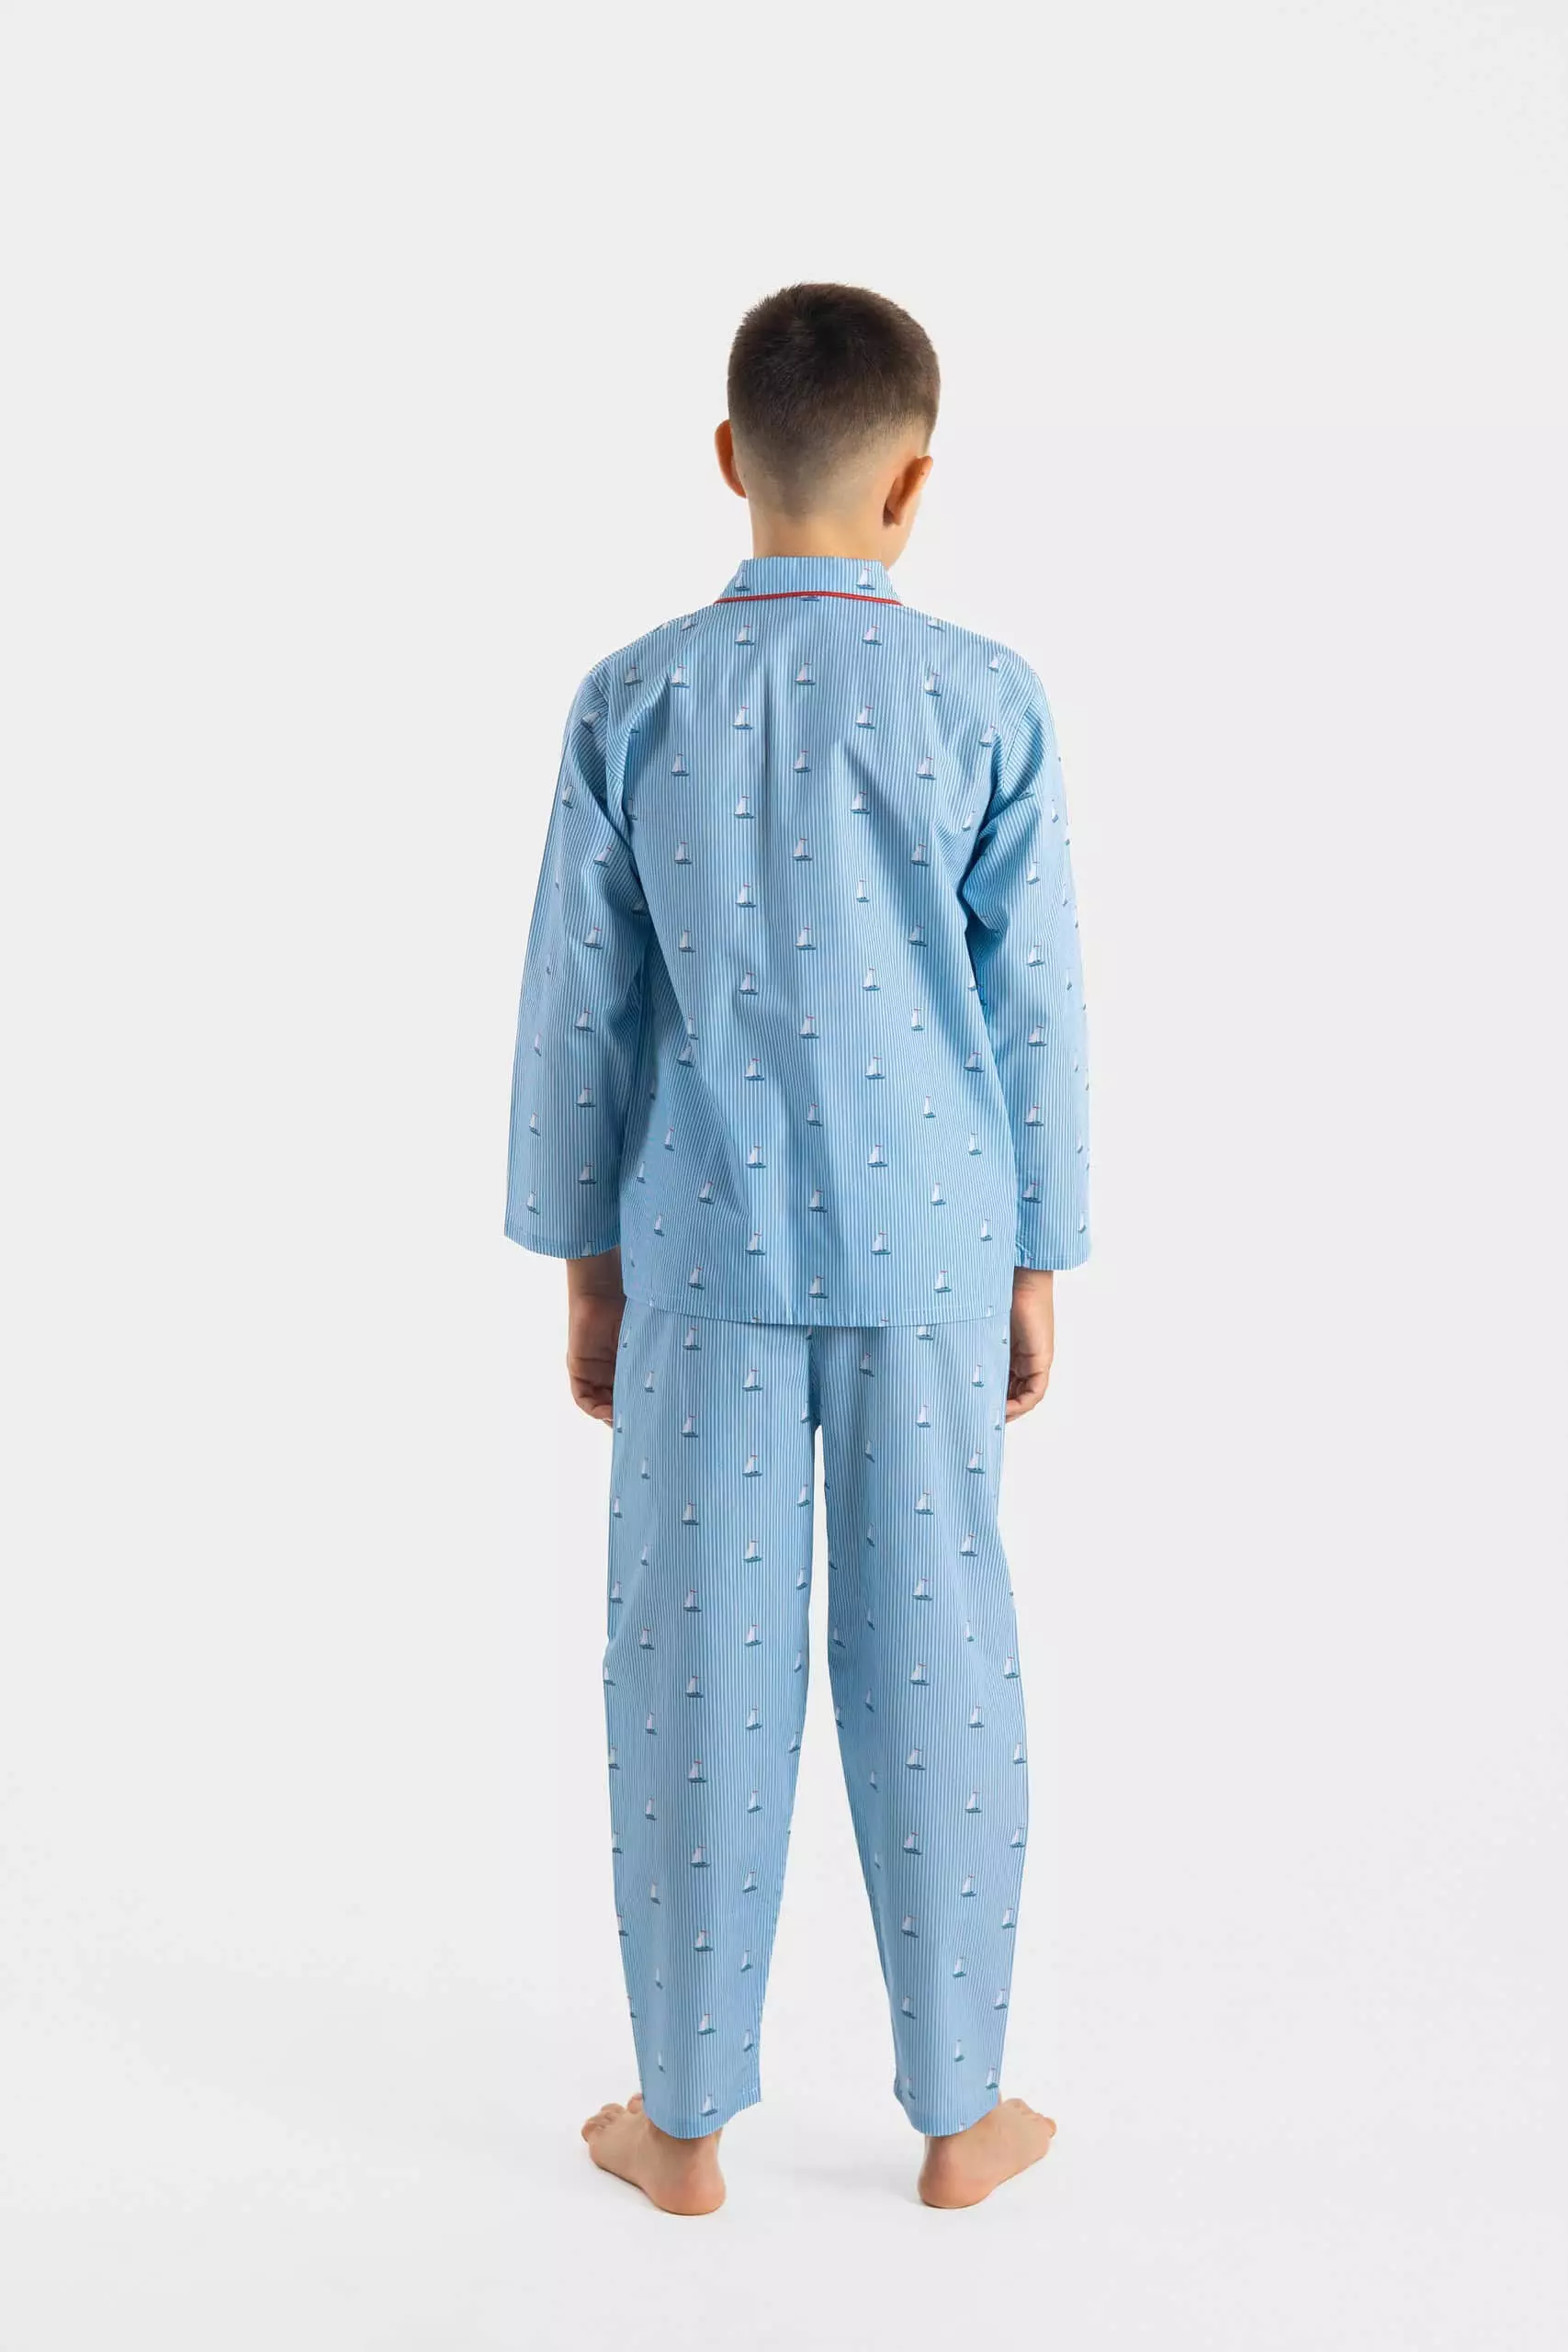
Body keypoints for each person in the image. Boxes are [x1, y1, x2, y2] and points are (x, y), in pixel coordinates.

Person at [505, 283, 1089, 2212]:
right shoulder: (988, 698)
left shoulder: (634, 696)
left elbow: (578, 1010)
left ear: (727, 458)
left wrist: (584, 1262)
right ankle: (960, 2117)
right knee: (942, 1652)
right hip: (934, 1250)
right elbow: (1030, 1008)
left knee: (690, 1660)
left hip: (701, 1250)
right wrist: (1037, 1251)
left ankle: (680, 2123)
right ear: (913, 481)